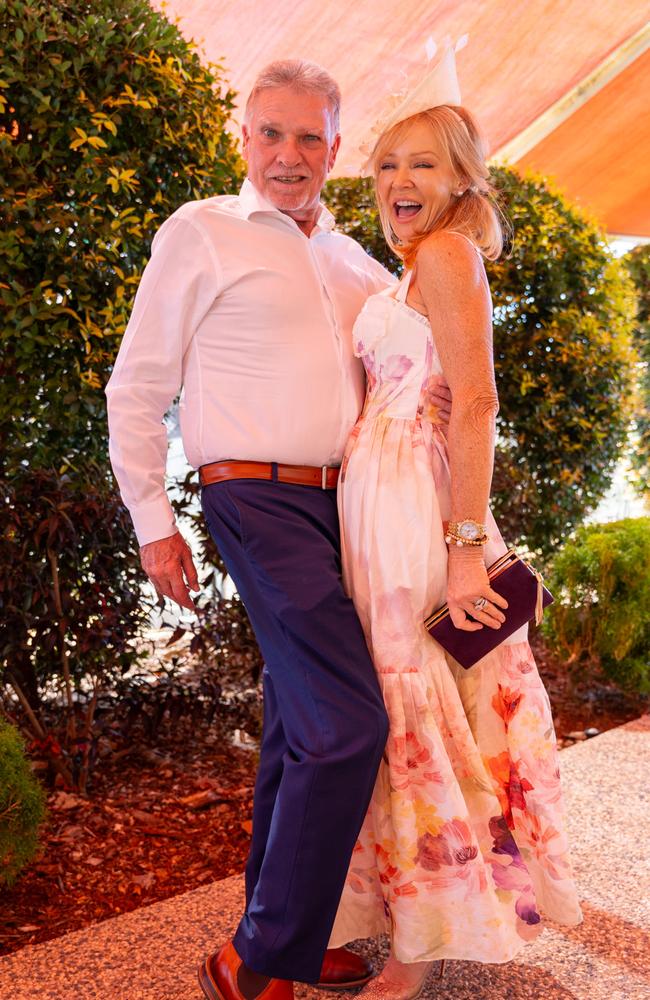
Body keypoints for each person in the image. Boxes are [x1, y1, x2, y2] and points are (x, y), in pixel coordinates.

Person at [105, 60, 452, 1000]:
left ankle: (284, 934)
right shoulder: (201, 231)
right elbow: (137, 384)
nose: (288, 155)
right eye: (271, 133)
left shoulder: (355, 263)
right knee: (346, 726)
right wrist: (154, 521)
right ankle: (258, 958)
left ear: (337, 150)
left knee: (297, 729)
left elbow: (418, 349)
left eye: (310, 138)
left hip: (350, 507)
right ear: (244, 137)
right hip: (253, 498)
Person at [326, 41, 583, 999]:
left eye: (422, 163)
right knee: (400, 706)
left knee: (416, 710)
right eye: (387, 164)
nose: (398, 179)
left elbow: (475, 402)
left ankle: (419, 949)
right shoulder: (409, 267)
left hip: (416, 518)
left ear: (462, 179)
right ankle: (406, 914)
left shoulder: (444, 250)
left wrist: (467, 556)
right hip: (378, 499)